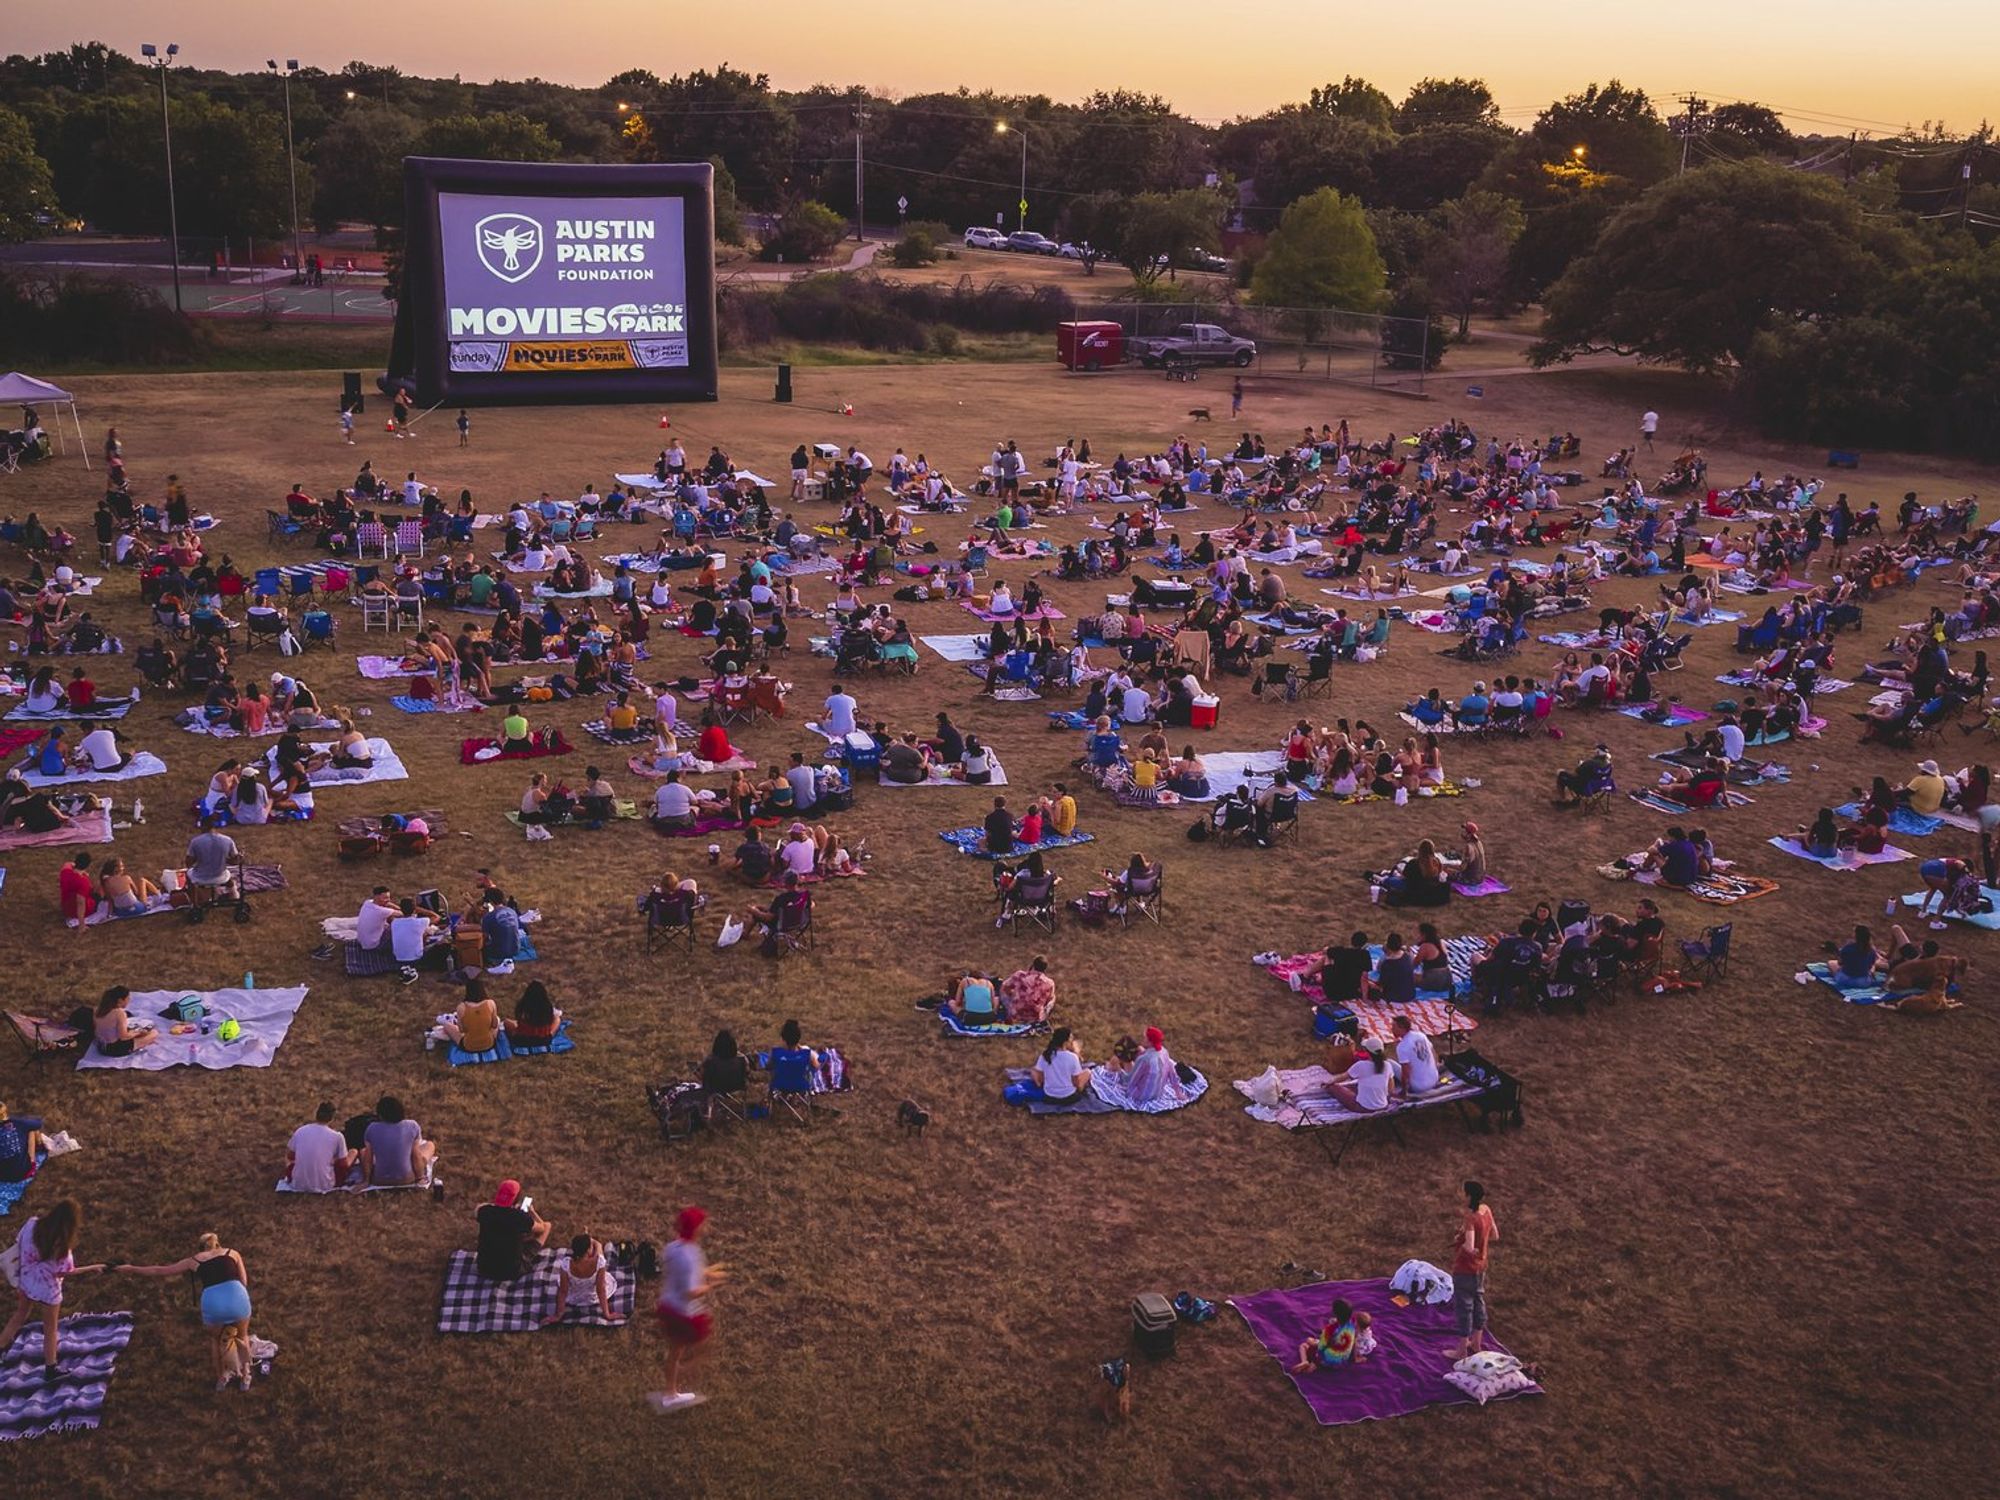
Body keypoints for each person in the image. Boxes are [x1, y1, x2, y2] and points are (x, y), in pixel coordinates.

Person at [116, 1233, 256, 1391]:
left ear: (201, 1246)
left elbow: (159, 1271)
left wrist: (131, 1268)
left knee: (215, 1341)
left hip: (213, 1302)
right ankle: (245, 1376)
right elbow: (244, 1281)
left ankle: (221, 1378)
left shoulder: (194, 1260)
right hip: (236, 1296)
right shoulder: (233, 1253)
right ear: (218, 1243)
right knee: (242, 1335)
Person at [0, 1201, 106, 1379]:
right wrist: (93, 1267)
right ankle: (50, 1368)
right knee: (50, 1328)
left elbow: (19, 1244)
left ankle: (1, 1347)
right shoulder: (62, 1248)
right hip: (48, 1291)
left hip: (26, 1280)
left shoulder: (31, 1224)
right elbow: (65, 1271)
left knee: (19, 1315)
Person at [650, 1205, 723, 1413]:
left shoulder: (673, 1248)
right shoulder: (690, 1257)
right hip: (684, 1314)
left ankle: (671, 1390)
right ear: (696, 1228)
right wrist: (711, 1285)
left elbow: (683, 1275)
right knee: (704, 1348)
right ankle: (680, 1377)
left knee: (676, 1351)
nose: (705, 1227)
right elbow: (691, 1292)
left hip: (668, 1306)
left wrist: (706, 1272)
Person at [1450, 1180, 1498, 1360]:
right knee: (1478, 1300)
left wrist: (1463, 1244)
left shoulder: (1471, 1218)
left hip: (1465, 1269)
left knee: (1464, 1307)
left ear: (1469, 1196)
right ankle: (1476, 1343)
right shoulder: (1486, 1210)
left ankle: (1461, 1350)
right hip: (1481, 1267)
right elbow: (1494, 1234)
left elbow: (1469, 1247)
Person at [476, 1179, 551, 1281]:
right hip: (512, 1271)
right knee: (547, 1226)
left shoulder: (485, 1211)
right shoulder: (519, 1218)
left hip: (484, 1269)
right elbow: (542, 1228)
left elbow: (479, 1208)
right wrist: (532, 1212)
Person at [544, 1234, 620, 1326]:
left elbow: (563, 1291)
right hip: (592, 1297)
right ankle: (594, 1242)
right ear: (588, 1250)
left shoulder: (566, 1264)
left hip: (574, 1297)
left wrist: (558, 1315)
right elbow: (601, 1290)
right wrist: (607, 1314)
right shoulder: (599, 1262)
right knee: (599, 1249)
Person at [362, 1094, 435, 1186]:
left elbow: (368, 1158)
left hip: (379, 1180)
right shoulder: (412, 1126)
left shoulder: (372, 1128)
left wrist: (366, 1181)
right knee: (429, 1145)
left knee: (364, 1151)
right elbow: (415, 1155)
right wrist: (420, 1177)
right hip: (407, 1179)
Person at [285, 1101, 357, 1193]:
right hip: (325, 1184)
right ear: (332, 1118)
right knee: (353, 1152)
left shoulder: (300, 1131)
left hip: (298, 1184)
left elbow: (290, 1156)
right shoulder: (337, 1136)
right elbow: (344, 1164)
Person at [1328, 1036, 1400, 1112]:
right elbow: (1391, 1089)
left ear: (1367, 1052)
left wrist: (1330, 1081)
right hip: (1383, 1105)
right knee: (1355, 1086)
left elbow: (1343, 1077)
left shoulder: (1361, 1065)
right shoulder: (1388, 1065)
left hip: (1363, 1107)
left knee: (1334, 1087)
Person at [92, 986, 159, 1057]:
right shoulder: (119, 1013)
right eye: (128, 998)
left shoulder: (97, 1009)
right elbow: (123, 1037)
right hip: (114, 1049)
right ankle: (137, 1046)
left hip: (100, 1046)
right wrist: (138, 1032)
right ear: (120, 1000)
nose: (129, 1000)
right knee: (154, 1033)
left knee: (133, 1031)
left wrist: (133, 1032)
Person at [1032, 1027, 1093, 1103]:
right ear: (1065, 1042)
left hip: (1049, 1096)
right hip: (1069, 1097)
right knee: (1088, 1072)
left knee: (1034, 1070)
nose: (1072, 1041)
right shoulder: (1072, 1057)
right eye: (1070, 1039)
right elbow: (1076, 1082)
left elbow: (1040, 1076)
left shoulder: (1045, 1055)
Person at [440, 978, 502, 1053]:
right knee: (497, 1019)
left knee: (446, 1025)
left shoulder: (461, 1007)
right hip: (490, 1044)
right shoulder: (491, 1003)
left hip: (468, 1046)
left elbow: (461, 1030)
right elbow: (494, 1025)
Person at [1391, 1014, 1441, 1096]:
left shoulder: (1402, 1046)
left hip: (1418, 1087)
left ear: (1402, 1028)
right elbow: (1433, 1052)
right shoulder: (1421, 1035)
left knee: (1389, 1063)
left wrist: (1404, 1091)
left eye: (1394, 1027)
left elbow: (1405, 1072)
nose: (1392, 1029)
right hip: (1434, 1079)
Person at [0, 1101, 47, 1185]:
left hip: (2, 1177)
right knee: (31, 1130)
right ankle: (39, 1146)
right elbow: (38, 1123)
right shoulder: (18, 1123)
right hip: (24, 1172)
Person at [1001, 956, 1057, 1024]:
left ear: (1033, 965)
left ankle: (1007, 1014)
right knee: (1053, 998)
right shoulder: (1049, 983)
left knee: (1002, 992)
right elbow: (1048, 1000)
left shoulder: (1019, 975)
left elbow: (1004, 987)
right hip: (1036, 1017)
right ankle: (1042, 1018)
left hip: (1016, 1014)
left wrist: (1012, 995)